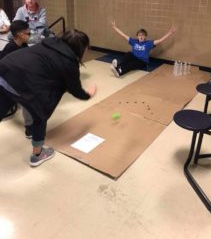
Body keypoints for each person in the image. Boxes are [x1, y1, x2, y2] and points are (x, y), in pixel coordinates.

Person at [0, 29, 97, 167]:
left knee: (7, 99)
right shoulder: (69, 62)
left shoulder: (48, 42)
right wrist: (88, 94)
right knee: (40, 113)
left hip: (4, 69)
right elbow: (74, 89)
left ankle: (30, 132)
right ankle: (37, 155)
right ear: (81, 48)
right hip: (21, 81)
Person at [0, 20, 34, 137]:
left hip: (18, 81)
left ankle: (30, 129)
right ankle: (30, 129)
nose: (29, 35)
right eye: (28, 33)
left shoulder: (24, 45)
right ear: (20, 35)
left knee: (29, 100)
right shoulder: (10, 48)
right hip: (7, 82)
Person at [111, 22, 176, 77]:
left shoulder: (148, 43)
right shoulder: (134, 41)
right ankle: (118, 66)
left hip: (142, 61)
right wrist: (115, 28)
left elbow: (160, 40)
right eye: (139, 35)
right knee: (128, 54)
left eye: (142, 35)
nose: (141, 36)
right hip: (134, 57)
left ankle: (120, 71)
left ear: (145, 37)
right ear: (137, 36)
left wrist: (170, 32)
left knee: (131, 64)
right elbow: (124, 35)